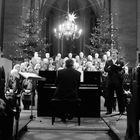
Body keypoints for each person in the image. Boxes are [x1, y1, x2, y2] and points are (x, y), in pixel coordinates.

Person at [104, 49, 125, 115]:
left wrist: (120, 72)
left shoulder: (120, 62)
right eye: (112, 53)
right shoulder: (108, 62)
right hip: (110, 81)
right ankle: (109, 110)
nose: (113, 54)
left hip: (118, 81)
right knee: (109, 96)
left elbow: (123, 70)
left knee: (120, 96)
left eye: (114, 53)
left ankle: (121, 110)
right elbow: (105, 69)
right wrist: (110, 68)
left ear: (117, 54)